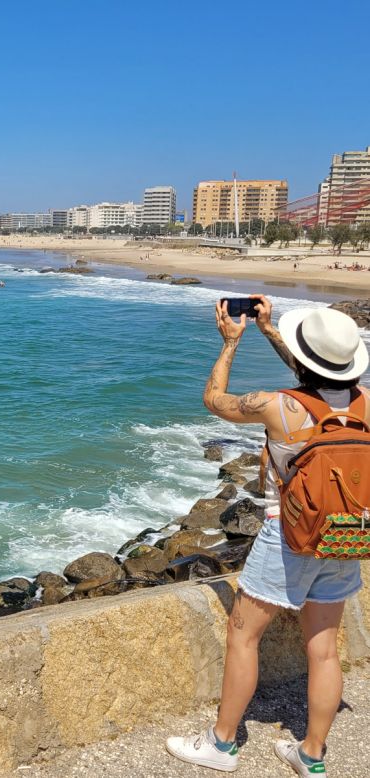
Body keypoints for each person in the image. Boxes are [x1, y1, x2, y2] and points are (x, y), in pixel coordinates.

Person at [166, 295, 369, 776]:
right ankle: (312, 755)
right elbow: (317, 384)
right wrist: (271, 330)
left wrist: (231, 342)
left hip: (290, 537)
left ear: (301, 360)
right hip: (346, 535)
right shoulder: (366, 403)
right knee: (324, 648)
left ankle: (221, 744)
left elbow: (215, 400)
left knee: (243, 636)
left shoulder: (277, 407)